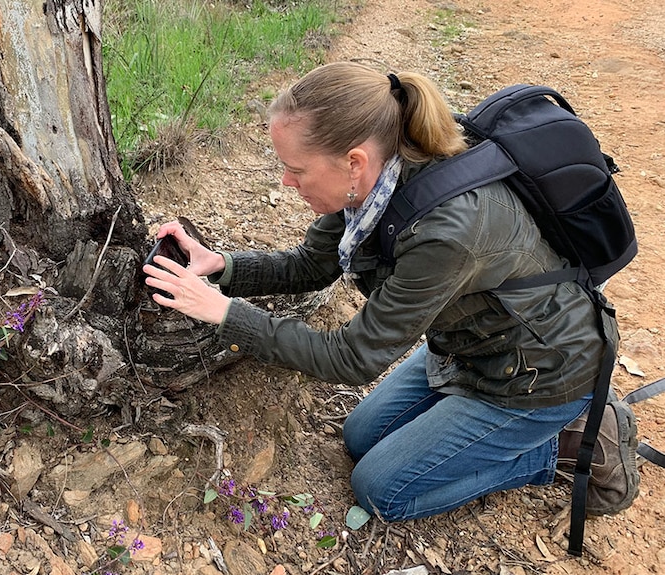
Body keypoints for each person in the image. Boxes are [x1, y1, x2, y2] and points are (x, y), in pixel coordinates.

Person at [141, 62, 639, 523]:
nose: (285, 181)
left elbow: (351, 359)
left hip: (539, 377)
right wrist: (221, 266)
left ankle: (568, 444)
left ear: (353, 161)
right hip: (468, 348)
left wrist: (226, 313)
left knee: (382, 490)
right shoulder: (372, 185)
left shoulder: (447, 232)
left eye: (296, 169)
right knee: (360, 437)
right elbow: (311, 266)